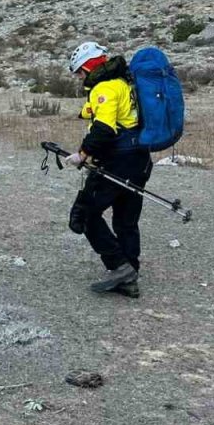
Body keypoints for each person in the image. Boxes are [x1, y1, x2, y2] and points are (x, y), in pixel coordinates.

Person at [64, 41, 152, 298]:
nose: (80, 77)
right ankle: (129, 278)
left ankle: (119, 266)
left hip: (117, 161)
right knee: (126, 220)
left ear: (89, 66)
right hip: (140, 159)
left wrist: (82, 155)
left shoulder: (104, 87)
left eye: (80, 71)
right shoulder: (125, 83)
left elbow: (104, 129)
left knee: (85, 215)